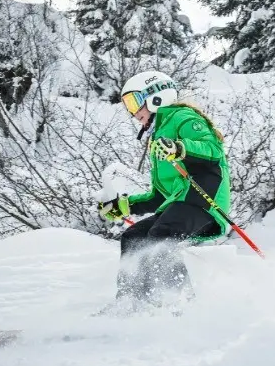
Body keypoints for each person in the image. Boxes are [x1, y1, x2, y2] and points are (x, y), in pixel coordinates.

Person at [97, 70, 231, 309]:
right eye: (127, 105)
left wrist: (180, 148)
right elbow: (159, 196)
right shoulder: (159, 135)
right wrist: (124, 206)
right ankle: (131, 303)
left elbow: (213, 150)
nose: (132, 112)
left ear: (155, 97)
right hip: (179, 204)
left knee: (161, 235)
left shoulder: (183, 117)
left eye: (133, 101)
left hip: (203, 201)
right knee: (134, 236)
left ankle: (181, 305)